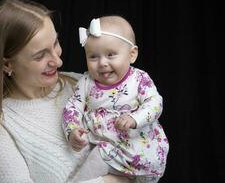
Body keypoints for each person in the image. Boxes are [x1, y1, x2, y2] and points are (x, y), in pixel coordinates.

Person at [0, 0, 131, 183]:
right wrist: (114, 181)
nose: (58, 61)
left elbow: (140, 148)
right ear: (7, 64)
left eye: (55, 43)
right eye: (40, 56)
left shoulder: (81, 85)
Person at [62, 16, 169, 183]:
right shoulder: (86, 82)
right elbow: (72, 107)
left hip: (140, 152)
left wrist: (135, 118)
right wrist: (72, 130)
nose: (102, 63)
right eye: (93, 57)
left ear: (131, 55)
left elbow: (155, 104)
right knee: (89, 168)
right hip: (108, 151)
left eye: (111, 55)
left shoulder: (139, 79)